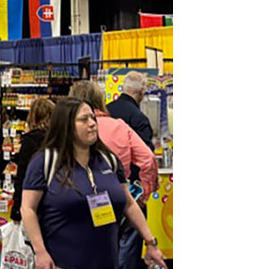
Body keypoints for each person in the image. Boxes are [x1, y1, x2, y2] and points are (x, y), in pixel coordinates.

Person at [20, 98, 167, 269]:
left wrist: (151, 242)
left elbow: (128, 203)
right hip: (62, 263)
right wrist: (40, 252)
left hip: (107, 263)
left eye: (92, 118)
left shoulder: (108, 159)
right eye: (84, 119)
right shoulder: (45, 162)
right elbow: (27, 208)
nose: (92, 124)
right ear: (66, 125)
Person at [70, 80, 159, 269]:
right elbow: (148, 159)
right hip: (119, 198)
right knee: (125, 254)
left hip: (79, 202)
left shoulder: (67, 131)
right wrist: (144, 193)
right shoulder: (119, 126)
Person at [10, 97, 55, 223]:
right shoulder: (58, 138)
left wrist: (16, 211)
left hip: (34, 202)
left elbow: (22, 176)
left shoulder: (30, 141)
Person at [107, 72, 155, 151]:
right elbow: (145, 153)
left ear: (123, 88)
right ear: (142, 91)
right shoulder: (140, 119)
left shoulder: (105, 109)